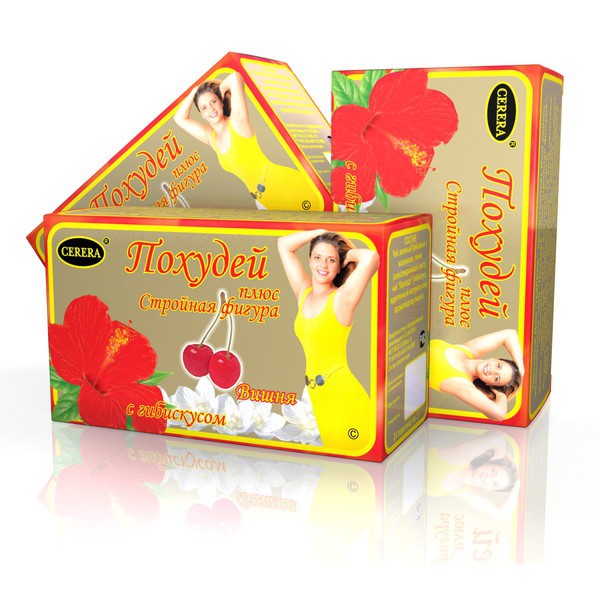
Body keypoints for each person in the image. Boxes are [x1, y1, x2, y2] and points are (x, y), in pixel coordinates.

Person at [278, 229, 379, 449]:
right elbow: (284, 244)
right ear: (309, 260)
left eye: (331, 260)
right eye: (317, 257)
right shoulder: (304, 294)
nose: (323, 265)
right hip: (319, 397)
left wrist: (346, 254)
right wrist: (321, 232)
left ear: (339, 265)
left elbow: (371, 257)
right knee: (335, 461)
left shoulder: (342, 298)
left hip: (344, 396)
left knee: (353, 459)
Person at [174, 72, 322, 210]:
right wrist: (194, 91)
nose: (211, 109)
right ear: (202, 114)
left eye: (213, 101)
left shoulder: (237, 121)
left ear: (221, 102)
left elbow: (235, 78)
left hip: (283, 185)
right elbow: (179, 118)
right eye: (204, 107)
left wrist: (219, 90)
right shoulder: (212, 138)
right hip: (262, 199)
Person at [429, 330, 525, 421]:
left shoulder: (462, 385)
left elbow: (499, 414)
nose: (492, 370)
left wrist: (502, 396)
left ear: (489, 384)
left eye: (496, 378)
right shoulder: (469, 351)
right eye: (498, 365)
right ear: (495, 359)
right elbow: (510, 334)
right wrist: (521, 370)